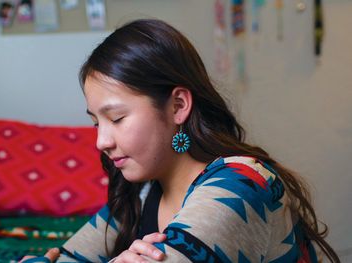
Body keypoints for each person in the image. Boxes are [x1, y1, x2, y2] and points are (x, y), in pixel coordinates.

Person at [20, 19, 339, 263]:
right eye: (95, 123)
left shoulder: (242, 182)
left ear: (178, 106)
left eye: (116, 118)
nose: (101, 141)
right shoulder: (142, 192)